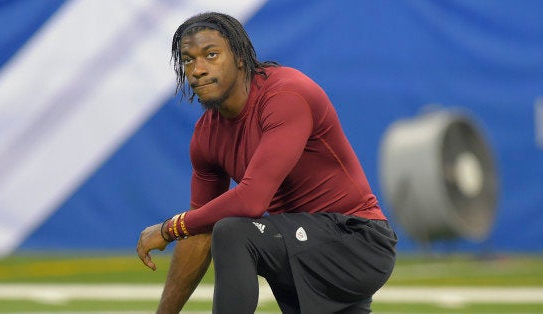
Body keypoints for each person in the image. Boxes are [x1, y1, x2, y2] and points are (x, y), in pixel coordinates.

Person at [136, 12, 397, 314]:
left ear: (240, 58)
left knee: (234, 232)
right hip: (301, 248)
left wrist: (170, 228)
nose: (197, 69)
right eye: (188, 60)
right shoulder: (206, 135)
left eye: (211, 54)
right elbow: (199, 230)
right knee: (222, 228)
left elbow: (250, 201)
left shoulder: (286, 94)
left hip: (357, 242)